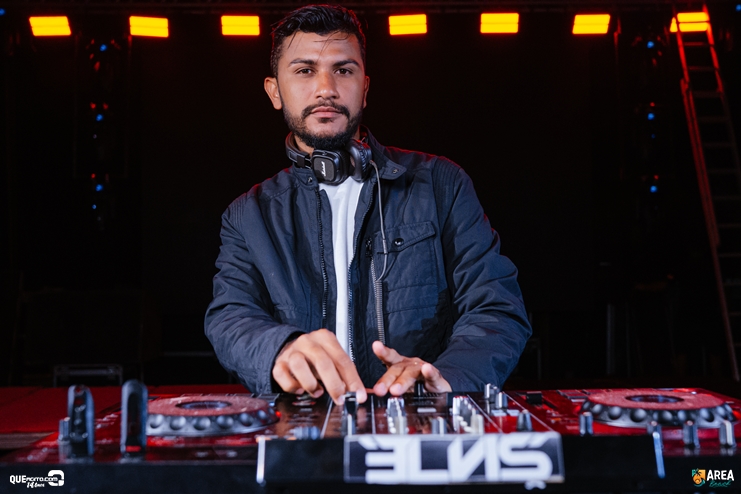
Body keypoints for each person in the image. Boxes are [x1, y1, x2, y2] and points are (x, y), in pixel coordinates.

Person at [205, 5, 531, 406]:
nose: (325, 88)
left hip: (419, 418)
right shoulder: (248, 215)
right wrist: (280, 348)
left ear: (365, 86)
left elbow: (496, 308)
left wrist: (447, 376)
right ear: (275, 91)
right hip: (304, 425)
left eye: (343, 70)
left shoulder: (440, 184)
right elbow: (230, 317)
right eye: (305, 70)